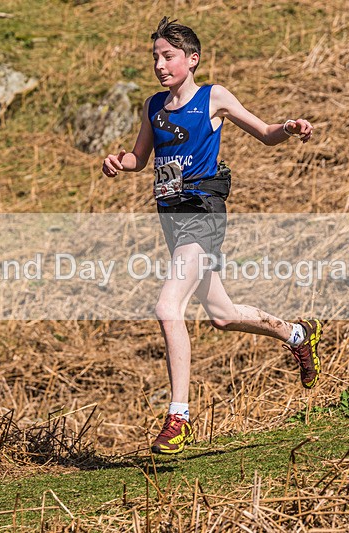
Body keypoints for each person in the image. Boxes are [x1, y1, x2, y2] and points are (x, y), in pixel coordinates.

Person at [102, 17, 322, 455]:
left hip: (203, 214)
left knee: (167, 307)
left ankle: (178, 418)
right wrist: (117, 162)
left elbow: (265, 134)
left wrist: (288, 128)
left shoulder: (213, 98)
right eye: (155, 57)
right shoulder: (153, 106)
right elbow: (139, 159)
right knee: (222, 314)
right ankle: (298, 334)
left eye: (168, 57)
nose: (159, 65)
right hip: (172, 219)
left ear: (192, 60)